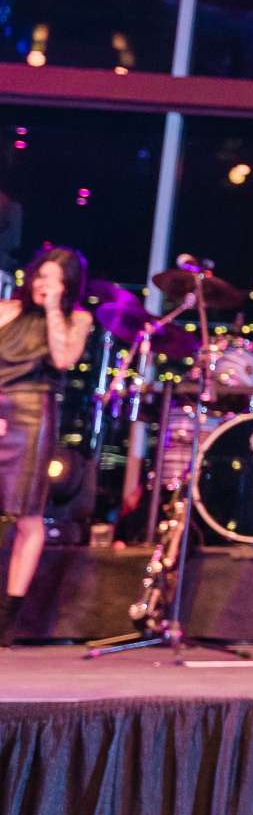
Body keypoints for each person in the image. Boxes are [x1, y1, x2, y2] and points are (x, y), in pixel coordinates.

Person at [0, 245, 93, 647]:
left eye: (56, 280)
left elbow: (63, 358)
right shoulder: (6, 310)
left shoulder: (77, 319)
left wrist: (54, 308)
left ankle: (7, 617)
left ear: (68, 286)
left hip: (33, 415)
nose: (45, 284)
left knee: (27, 515)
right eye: (42, 276)